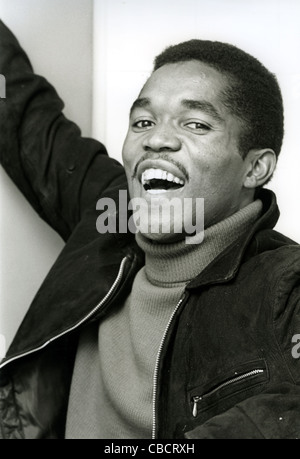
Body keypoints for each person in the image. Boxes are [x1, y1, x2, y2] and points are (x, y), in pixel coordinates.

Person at [0, 19, 299, 440]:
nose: (156, 140)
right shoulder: (110, 213)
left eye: (196, 124)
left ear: (255, 167)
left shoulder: (286, 287)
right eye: (143, 122)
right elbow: (18, 110)